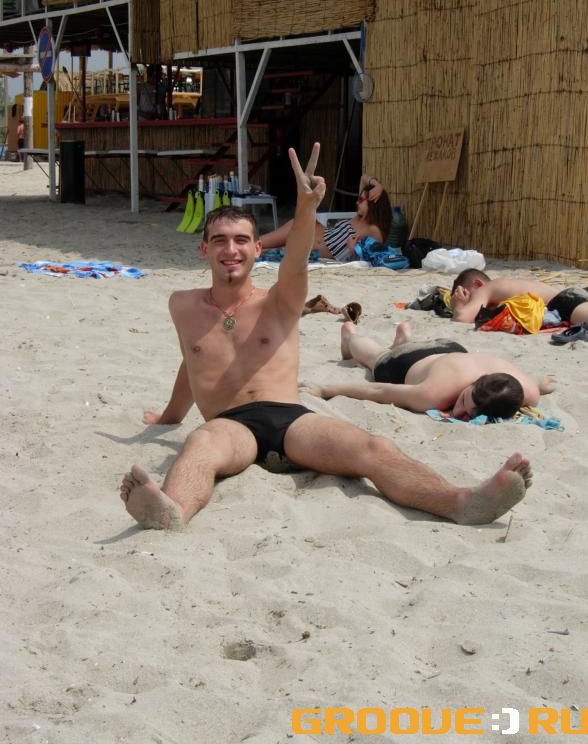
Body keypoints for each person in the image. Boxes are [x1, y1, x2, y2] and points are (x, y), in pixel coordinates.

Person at [120, 144, 533, 531]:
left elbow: (297, 260)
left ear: (258, 249)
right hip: (229, 427)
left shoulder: (279, 301)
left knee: (373, 448)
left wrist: (306, 207)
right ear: (204, 250)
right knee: (199, 445)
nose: (231, 249)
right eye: (220, 241)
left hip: (289, 419)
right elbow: (193, 360)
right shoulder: (183, 305)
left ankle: (462, 502)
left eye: (241, 240)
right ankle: (173, 511)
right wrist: (169, 416)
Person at [301, 321, 555, 419]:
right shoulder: (433, 394)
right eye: (464, 401)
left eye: (470, 414)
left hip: (451, 348)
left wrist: (541, 385)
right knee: (377, 357)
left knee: (400, 354)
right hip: (408, 361)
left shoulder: (527, 391)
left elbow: (534, 386)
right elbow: (378, 390)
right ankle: (350, 336)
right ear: (472, 385)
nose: (459, 412)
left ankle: (404, 339)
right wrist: (325, 389)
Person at [258, 174, 392, 261]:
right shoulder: (358, 217)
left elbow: (372, 257)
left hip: (310, 247)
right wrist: (378, 185)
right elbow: (363, 177)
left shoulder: (373, 230)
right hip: (309, 232)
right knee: (260, 245)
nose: (357, 202)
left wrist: (352, 250)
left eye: (361, 200)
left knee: (261, 249)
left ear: (373, 202)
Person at [451, 268, 588, 327]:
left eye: (467, 294)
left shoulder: (485, 289)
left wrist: (458, 305)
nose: (470, 300)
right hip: (577, 295)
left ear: (477, 284)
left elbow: (462, 319)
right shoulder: (502, 287)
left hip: (566, 302)